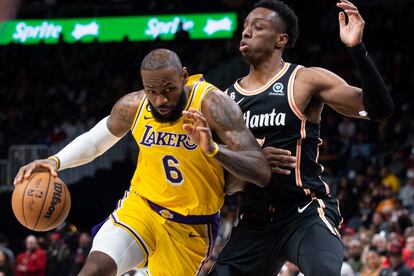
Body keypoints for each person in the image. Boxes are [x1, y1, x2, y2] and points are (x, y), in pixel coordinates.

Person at [14, 48, 271, 275]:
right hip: (143, 208)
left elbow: (259, 169)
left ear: (183, 76)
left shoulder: (212, 104)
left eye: (168, 90)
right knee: (95, 269)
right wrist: (54, 161)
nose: (160, 100)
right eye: (152, 91)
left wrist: (212, 149)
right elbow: (95, 141)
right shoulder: (134, 106)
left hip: (191, 227)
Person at [210, 0, 393, 275]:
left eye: (258, 27)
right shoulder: (225, 100)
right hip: (253, 220)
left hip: (304, 211)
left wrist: (356, 49)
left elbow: (379, 109)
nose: (246, 32)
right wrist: (255, 162)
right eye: (245, 26)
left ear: (281, 39)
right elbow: (221, 177)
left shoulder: (305, 80)